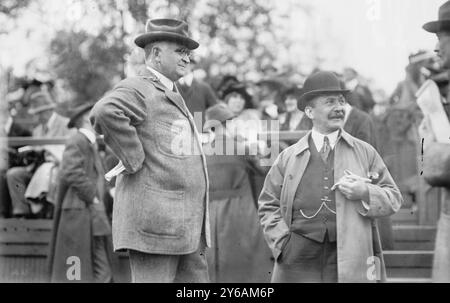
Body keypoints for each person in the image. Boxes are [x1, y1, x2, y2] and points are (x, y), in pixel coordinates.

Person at [90, 18, 210, 283]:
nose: (186, 58)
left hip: (184, 227)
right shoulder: (140, 87)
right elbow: (104, 111)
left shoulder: (169, 90)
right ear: (156, 53)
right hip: (156, 228)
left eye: (188, 53)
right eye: (179, 51)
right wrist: (132, 158)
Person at [258, 71, 403, 283]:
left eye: (342, 102)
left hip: (349, 254)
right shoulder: (287, 157)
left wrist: (365, 192)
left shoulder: (364, 152)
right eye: (329, 102)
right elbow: (268, 204)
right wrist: (282, 242)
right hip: (298, 256)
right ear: (309, 111)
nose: (339, 108)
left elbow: (393, 197)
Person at [202, 103, 272, 282]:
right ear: (228, 124)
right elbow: (265, 170)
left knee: (215, 265)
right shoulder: (241, 149)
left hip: (211, 215)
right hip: (239, 213)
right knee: (245, 265)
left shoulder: (202, 153)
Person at [48, 103, 113, 283]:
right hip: (81, 210)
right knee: (82, 264)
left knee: (98, 259)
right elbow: (70, 171)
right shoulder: (78, 140)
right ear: (86, 119)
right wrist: (93, 196)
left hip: (89, 210)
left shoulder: (87, 142)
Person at [6, 89, 73, 218]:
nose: (34, 117)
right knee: (13, 174)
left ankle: (45, 212)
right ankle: (23, 214)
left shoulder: (66, 125)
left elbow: (70, 151)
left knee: (49, 172)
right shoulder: (37, 130)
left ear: (47, 111)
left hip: (57, 168)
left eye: (37, 113)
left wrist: (49, 153)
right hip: (36, 167)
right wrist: (28, 156)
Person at [423, 0, 450, 282]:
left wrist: (431, 148)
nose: (437, 48)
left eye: (442, 38)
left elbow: (432, 168)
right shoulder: (436, 92)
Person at [176, 58, 218, 125]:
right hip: (176, 129)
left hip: (199, 129)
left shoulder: (204, 87)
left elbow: (216, 110)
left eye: (186, 62)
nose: (182, 64)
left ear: (192, 65)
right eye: (179, 62)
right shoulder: (170, 86)